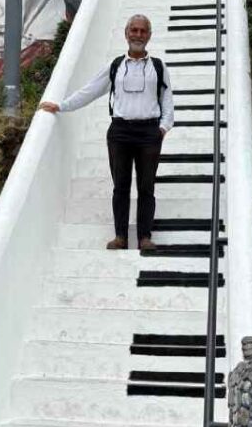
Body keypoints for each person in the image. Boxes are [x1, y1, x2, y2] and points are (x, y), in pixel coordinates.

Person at [39, 15, 174, 252]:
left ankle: (144, 237)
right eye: (134, 30)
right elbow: (90, 90)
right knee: (120, 186)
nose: (138, 35)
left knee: (146, 186)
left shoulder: (158, 67)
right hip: (120, 132)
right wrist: (61, 105)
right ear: (126, 33)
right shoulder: (116, 66)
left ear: (149, 35)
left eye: (143, 31)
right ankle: (120, 236)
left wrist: (162, 128)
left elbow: (167, 100)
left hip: (148, 133)